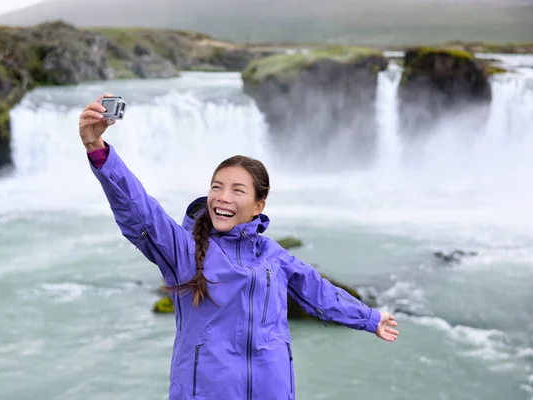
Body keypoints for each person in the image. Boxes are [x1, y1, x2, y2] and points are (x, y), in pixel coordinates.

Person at [79, 93, 399, 400]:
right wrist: (98, 149)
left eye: (237, 190)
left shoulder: (273, 255)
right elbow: (141, 212)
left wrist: (370, 318)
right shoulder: (183, 250)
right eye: (216, 187)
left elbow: (318, 292)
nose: (223, 197)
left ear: (259, 205)